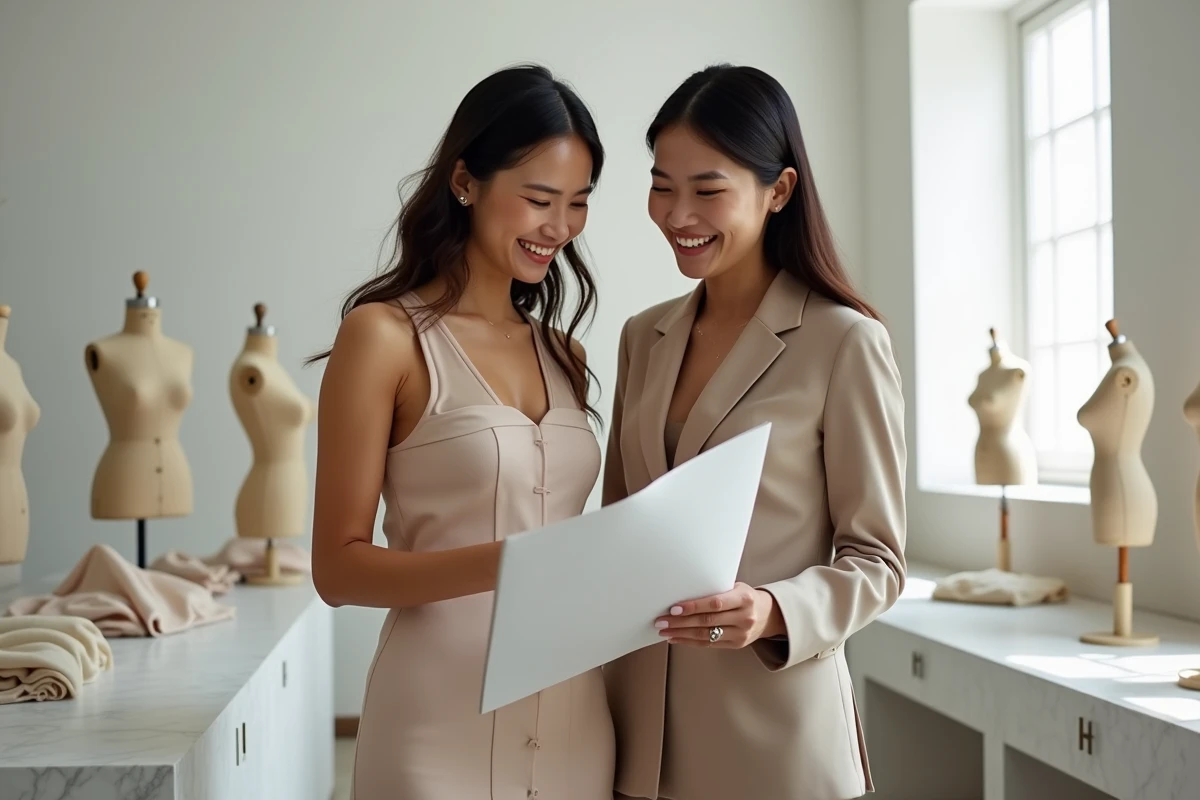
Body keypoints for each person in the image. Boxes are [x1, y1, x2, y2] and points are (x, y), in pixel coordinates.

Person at [308, 64, 615, 800]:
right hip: (435, 723)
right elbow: (338, 570)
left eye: (577, 203)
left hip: (577, 722)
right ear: (465, 182)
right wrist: (513, 563)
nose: (560, 227)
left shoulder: (565, 354)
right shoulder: (383, 338)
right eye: (538, 199)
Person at [601, 64, 907, 800]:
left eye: (707, 190)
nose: (678, 214)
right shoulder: (643, 337)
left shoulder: (845, 342)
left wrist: (773, 609)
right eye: (661, 186)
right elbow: (618, 526)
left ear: (780, 190)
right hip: (638, 736)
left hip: (774, 738)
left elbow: (878, 561)